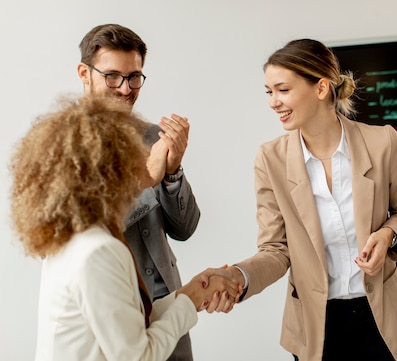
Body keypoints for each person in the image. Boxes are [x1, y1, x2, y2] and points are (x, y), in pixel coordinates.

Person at [210, 39, 397, 361]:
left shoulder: (381, 142)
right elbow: (275, 249)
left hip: (388, 320)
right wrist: (238, 277)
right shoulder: (270, 159)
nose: (273, 102)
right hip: (318, 328)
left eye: (283, 90)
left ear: (321, 88)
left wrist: (387, 236)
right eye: (268, 92)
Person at [9, 95, 240, 361]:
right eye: (133, 156)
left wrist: (190, 293)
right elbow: (138, 357)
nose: (145, 160)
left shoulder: (74, 238)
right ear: (112, 171)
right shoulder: (99, 251)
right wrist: (188, 302)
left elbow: (128, 322)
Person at [77, 24, 201, 361]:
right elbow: (80, 232)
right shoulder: (63, 145)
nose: (125, 89)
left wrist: (173, 171)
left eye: (134, 77)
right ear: (84, 74)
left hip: (170, 314)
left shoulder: (152, 136)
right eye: (113, 76)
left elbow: (185, 229)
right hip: (112, 317)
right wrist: (146, 179)